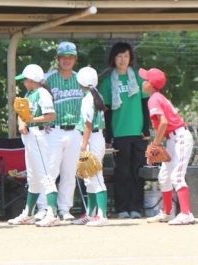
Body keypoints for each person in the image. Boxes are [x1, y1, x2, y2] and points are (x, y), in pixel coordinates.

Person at [100, 42, 150, 219]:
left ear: (130, 58)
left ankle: (135, 207)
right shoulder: (107, 82)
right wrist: (109, 135)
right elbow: (106, 110)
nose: (123, 60)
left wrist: (146, 128)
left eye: (126, 56)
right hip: (119, 133)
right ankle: (122, 209)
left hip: (138, 133)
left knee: (138, 171)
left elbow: (146, 105)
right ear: (114, 58)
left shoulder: (138, 77)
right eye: (119, 56)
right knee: (122, 172)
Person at [139, 68, 195, 225]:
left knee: (176, 176)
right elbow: (165, 126)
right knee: (164, 177)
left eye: (145, 79)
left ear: (150, 84)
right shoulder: (157, 97)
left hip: (181, 138)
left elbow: (163, 122)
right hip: (173, 139)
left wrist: (155, 144)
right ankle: (167, 212)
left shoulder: (154, 99)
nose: (143, 81)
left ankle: (186, 213)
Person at [7, 64, 60, 227]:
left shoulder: (42, 93)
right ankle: (29, 214)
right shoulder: (29, 94)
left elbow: (51, 115)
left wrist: (31, 121)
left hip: (38, 135)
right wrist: (22, 121)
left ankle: (52, 214)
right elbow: (21, 113)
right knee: (32, 177)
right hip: (29, 136)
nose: (24, 82)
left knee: (45, 175)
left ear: (31, 80)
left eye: (25, 80)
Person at [35, 41, 83, 221]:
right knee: (50, 171)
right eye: (63, 57)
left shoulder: (80, 79)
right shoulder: (47, 79)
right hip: (53, 130)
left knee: (70, 172)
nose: (66, 60)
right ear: (57, 58)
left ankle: (64, 209)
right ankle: (43, 207)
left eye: (70, 57)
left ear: (75, 59)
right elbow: (35, 100)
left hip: (75, 131)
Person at [70, 66, 109, 227]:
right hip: (97, 136)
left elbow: (87, 124)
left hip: (91, 138)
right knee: (89, 178)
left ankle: (102, 215)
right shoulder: (96, 95)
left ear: (80, 82)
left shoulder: (88, 99)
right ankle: (91, 214)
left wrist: (83, 145)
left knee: (96, 176)